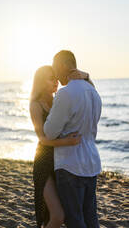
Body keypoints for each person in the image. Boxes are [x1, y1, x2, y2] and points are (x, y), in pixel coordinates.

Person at [44, 50, 102, 228]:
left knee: (75, 220)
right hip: (91, 163)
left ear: (63, 65)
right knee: (91, 218)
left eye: (55, 67)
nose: (54, 73)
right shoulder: (93, 92)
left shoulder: (65, 93)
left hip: (70, 165)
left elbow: (49, 132)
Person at [29, 65, 89, 228]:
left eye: (56, 78)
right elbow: (42, 139)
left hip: (61, 162)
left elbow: (91, 96)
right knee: (58, 215)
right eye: (50, 78)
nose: (55, 82)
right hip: (44, 162)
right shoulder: (36, 105)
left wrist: (86, 76)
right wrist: (67, 142)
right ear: (41, 82)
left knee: (61, 215)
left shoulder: (58, 101)